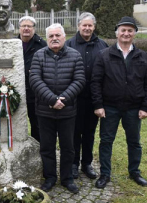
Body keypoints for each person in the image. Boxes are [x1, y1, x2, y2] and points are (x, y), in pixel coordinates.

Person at [91, 16, 147, 189]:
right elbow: (96, 82)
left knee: (134, 141)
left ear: (134, 33)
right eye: (123, 30)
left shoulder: (144, 56)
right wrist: (98, 105)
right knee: (106, 141)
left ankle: (135, 171)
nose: (126, 33)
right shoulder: (104, 55)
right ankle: (105, 174)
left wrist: (145, 107)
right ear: (117, 33)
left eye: (130, 30)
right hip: (109, 108)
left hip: (134, 109)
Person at [29, 23, 85, 194]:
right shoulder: (39, 55)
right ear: (47, 39)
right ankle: (50, 177)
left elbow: (80, 80)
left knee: (68, 147)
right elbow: (35, 80)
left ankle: (67, 178)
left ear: (64, 37)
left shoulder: (75, 56)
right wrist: (52, 100)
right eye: (51, 36)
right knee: (47, 146)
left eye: (57, 35)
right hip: (45, 111)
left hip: (67, 111)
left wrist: (64, 99)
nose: (54, 38)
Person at [65, 12, 108, 179]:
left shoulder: (102, 45)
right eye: (84, 25)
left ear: (94, 27)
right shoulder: (69, 44)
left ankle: (86, 163)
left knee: (89, 132)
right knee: (74, 132)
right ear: (78, 26)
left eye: (90, 25)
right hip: (74, 98)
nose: (87, 28)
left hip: (94, 99)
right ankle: (74, 163)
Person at [17, 16, 47, 142]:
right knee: (17, 121)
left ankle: (37, 148)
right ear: (19, 28)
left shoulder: (42, 44)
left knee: (37, 123)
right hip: (17, 90)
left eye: (29, 26)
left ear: (34, 29)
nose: (26, 29)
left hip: (35, 92)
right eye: (23, 26)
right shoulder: (13, 43)